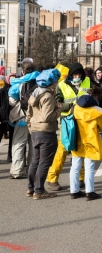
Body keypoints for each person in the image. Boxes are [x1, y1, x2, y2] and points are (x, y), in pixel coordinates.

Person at [45, 62, 90, 191]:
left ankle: (81, 178)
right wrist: (72, 106)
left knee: (81, 149)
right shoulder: (61, 85)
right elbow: (57, 103)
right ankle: (52, 179)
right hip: (67, 120)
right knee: (63, 150)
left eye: (79, 74)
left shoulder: (87, 82)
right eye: (75, 74)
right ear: (70, 75)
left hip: (83, 120)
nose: (77, 77)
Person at [25, 68, 62, 199]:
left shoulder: (34, 94)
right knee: (44, 162)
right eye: (56, 81)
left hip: (35, 131)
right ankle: (39, 191)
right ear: (52, 82)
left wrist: (31, 128)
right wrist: (59, 109)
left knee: (35, 161)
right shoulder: (47, 96)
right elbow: (47, 117)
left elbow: (28, 115)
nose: (57, 84)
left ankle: (31, 188)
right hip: (46, 132)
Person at [70, 87, 102, 200]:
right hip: (91, 141)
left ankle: (74, 191)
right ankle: (89, 192)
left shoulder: (76, 108)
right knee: (89, 167)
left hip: (77, 140)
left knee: (75, 166)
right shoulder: (97, 112)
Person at [8, 59, 39, 179]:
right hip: (36, 118)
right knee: (33, 144)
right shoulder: (40, 81)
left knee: (19, 144)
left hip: (22, 117)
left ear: (23, 71)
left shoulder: (18, 83)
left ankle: (17, 170)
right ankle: (32, 169)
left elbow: (11, 101)